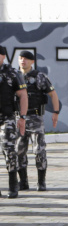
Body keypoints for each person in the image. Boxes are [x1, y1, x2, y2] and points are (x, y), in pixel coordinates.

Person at [16, 51, 59, 192]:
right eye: (21, 58)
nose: (23, 61)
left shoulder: (40, 77)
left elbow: (53, 94)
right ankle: (23, 182)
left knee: (39, 151)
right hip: (19, 119)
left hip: (35, 119)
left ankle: (41, 182)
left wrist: (56, 112)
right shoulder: (14, 76)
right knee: (18, 151)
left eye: (27, 59)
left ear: (32, 61)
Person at [0, 45, 27, 198]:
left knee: (9, 150)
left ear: (3, 56)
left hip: (7, 117)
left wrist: (22, 117)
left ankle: (12, 186)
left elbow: (23, 95)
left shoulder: (12, 74)